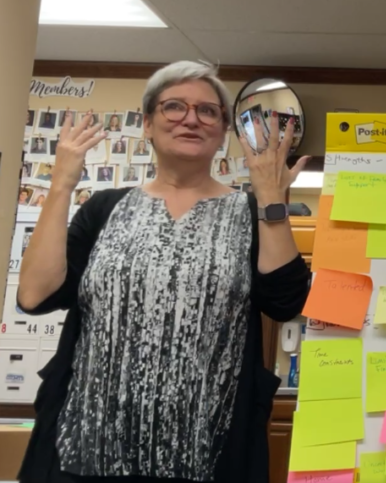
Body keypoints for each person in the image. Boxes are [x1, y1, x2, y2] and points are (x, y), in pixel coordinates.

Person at [16, 62, 311, 483]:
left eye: (207, 111)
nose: (191, 119)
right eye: (174, 106)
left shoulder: (249, 213)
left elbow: (285, 302)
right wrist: (61, 184)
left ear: (223, 132)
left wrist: (270, 199)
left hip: (208, 454)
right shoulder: (104, 209)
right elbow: (35, 296)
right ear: (147, 124)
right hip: (87, 451)